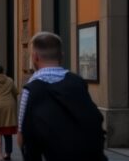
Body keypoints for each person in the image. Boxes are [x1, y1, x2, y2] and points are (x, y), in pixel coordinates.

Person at [17, 31, 106, 161]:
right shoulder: (77, 82)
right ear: (61, 56)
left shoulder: (31, 89)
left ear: (35, 57)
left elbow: (23, 134)